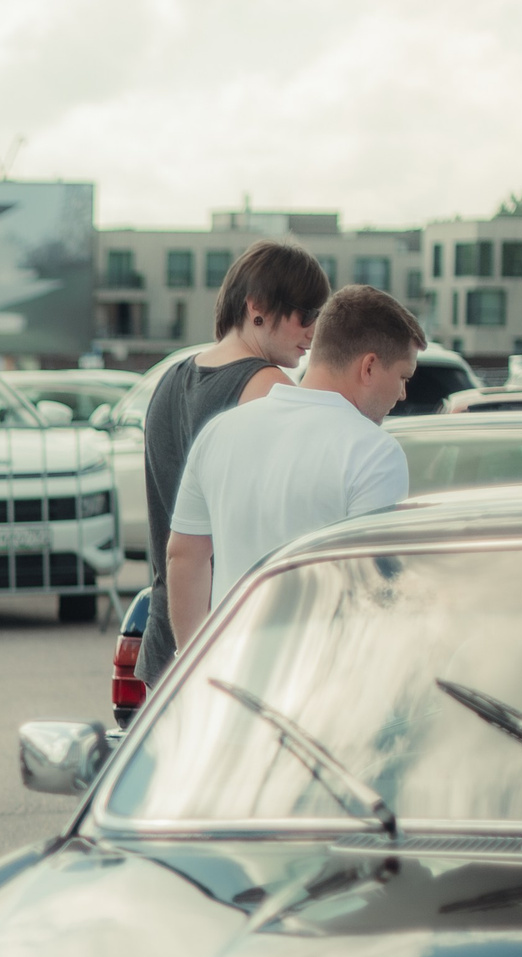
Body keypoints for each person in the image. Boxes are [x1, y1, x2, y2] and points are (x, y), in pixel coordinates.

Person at [162, 284, 423, 647]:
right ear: (368, 367)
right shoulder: (374, 452)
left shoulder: (219, 432)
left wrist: (193, 661)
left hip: (227, 672)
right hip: (318, 674)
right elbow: (371, 588)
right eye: (403, 377)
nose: (402, 394)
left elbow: (184, 556)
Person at [134, 240, 327, 687]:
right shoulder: (270, 389)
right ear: (257, 306)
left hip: (165, 637)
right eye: (305, 314)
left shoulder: (170, 378)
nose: (314, 331)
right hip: (233, 640)